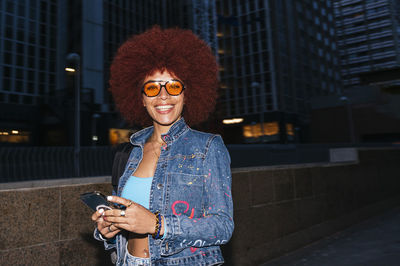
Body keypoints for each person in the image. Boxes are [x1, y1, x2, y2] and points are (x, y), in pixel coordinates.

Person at [91, 26, 234, 265]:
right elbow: (125, 219)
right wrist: (108, 228)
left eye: (174, 86)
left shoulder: (208, 147)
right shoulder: (130, 152)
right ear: (142, 99)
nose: (163, 96)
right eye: (152, 88)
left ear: (187, 94)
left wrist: (157, 225)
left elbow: (223, 226)